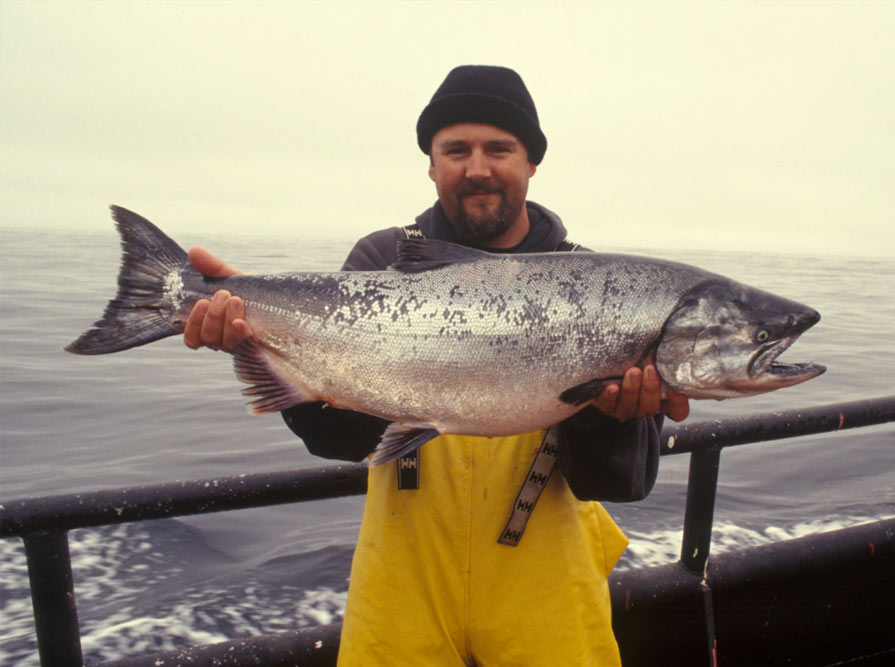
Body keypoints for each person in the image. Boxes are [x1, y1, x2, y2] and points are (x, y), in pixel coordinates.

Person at [184, 65, 689, 666]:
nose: (478, 167)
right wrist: (254, 335)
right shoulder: (382, 261)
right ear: (431, 163)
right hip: (405, 586)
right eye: (457, 150)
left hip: (546, 591)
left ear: (531, 162)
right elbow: (334, 440)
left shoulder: (601, 286)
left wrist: (614, 416)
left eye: (499, 148)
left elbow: (620, 485)